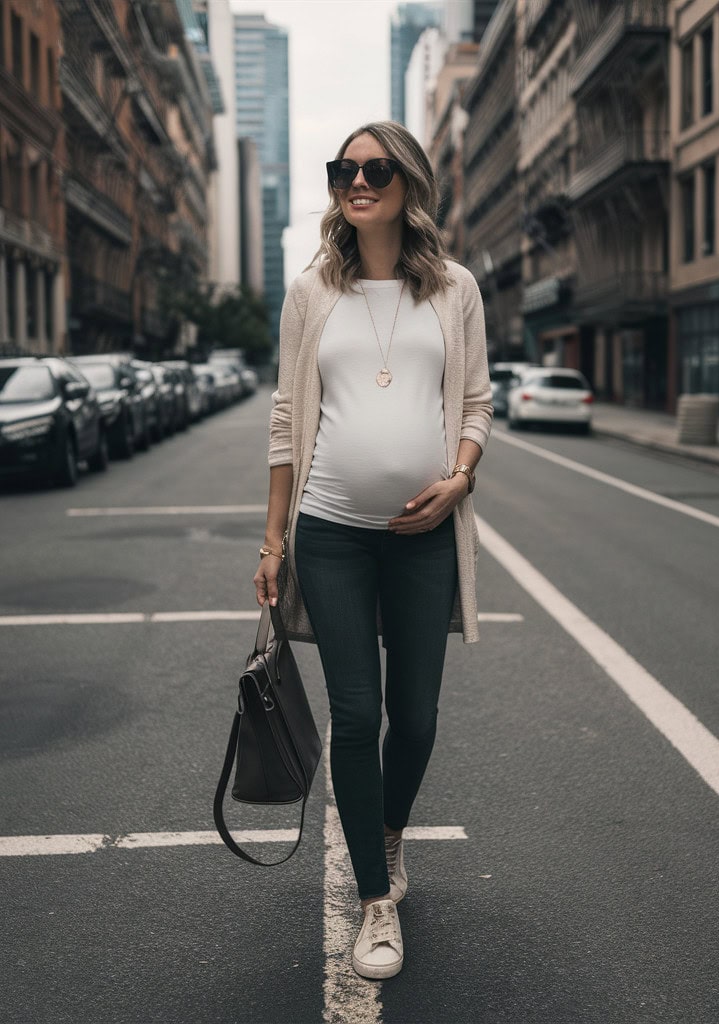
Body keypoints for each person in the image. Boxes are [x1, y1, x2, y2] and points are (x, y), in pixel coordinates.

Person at [254, 120, 492, 980]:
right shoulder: (313, 290)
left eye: (376, 169)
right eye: (343, 170)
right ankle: (374, 900)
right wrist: (274, 537)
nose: (357, 181)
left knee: (417, 718)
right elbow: (287, 418)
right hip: (331, 535)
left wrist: (459, 480)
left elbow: (475, 406)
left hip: (422, 538)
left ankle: (389, 832)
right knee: (358, 714)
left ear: (409, 182)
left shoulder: (455, 289)